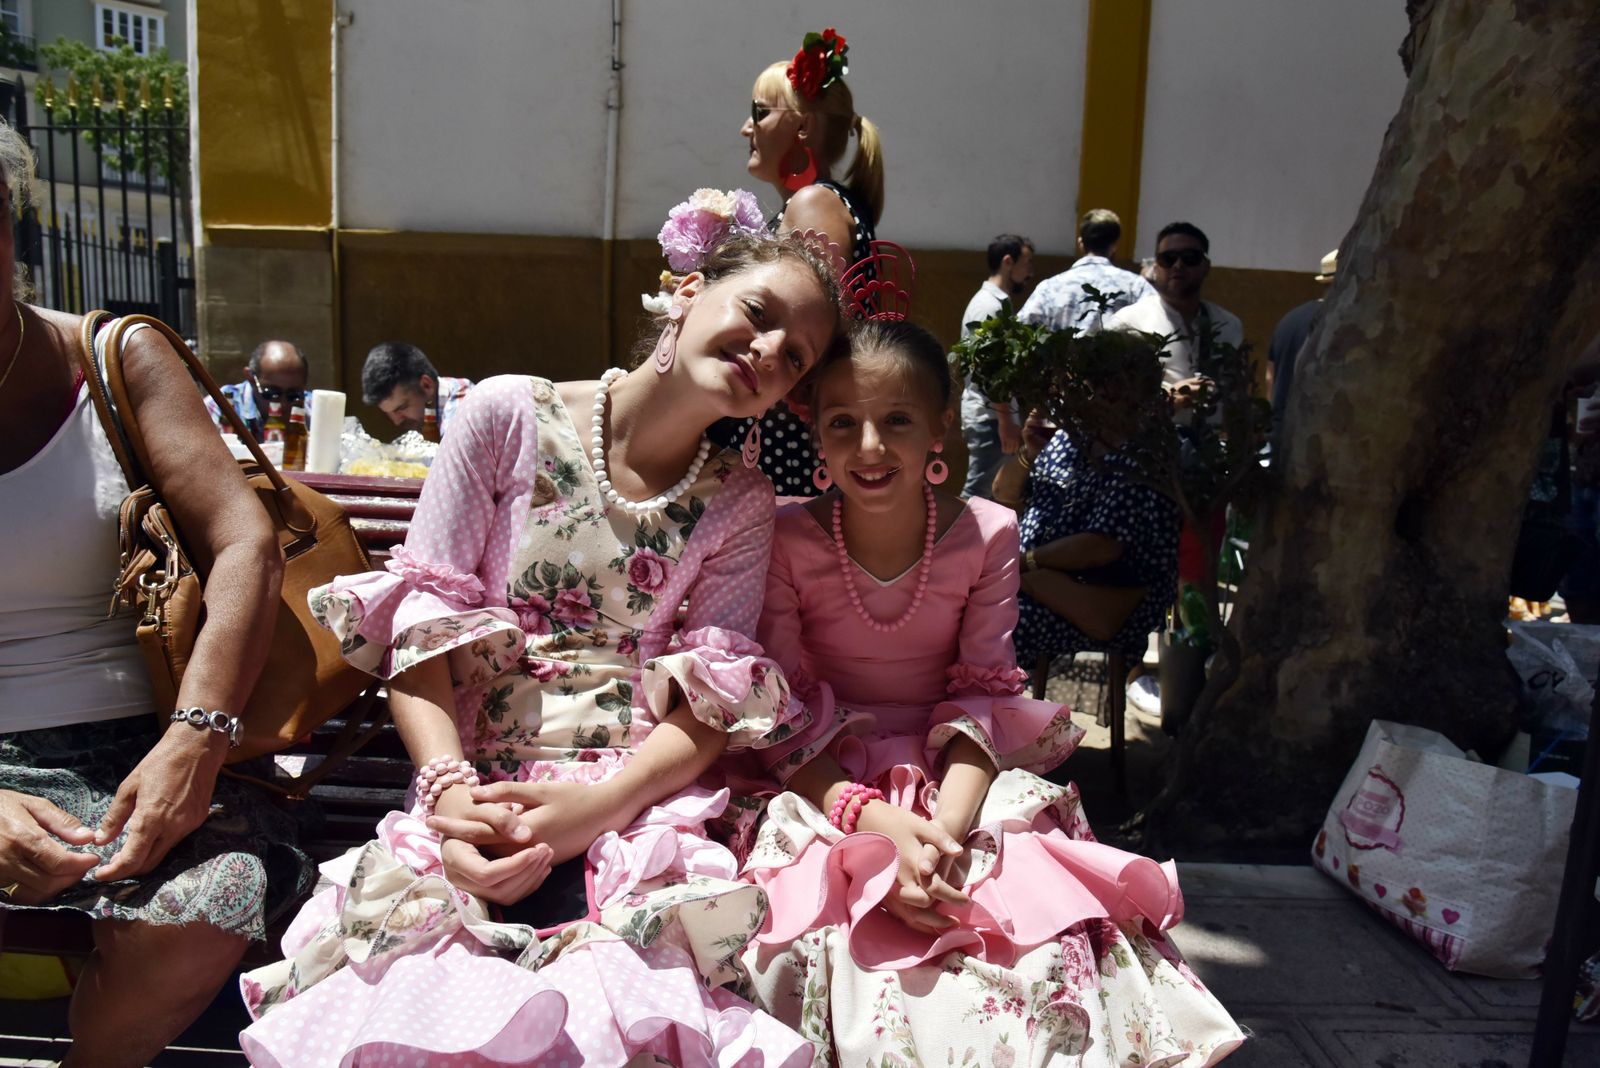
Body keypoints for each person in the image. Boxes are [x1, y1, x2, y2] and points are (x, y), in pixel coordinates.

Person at [237, 233, 846, 1066]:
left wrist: (597, 811)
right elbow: (419, 623)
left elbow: (713, 702)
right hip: (474, 788)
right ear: (690, 290)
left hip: (631, 813)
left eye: (797, 355)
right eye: (757, 312)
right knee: (425, 1000)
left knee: (612, 1010)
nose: (770, 351)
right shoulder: (506, 415)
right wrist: (448, 796)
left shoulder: (739, 501)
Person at [741, 321, 1243, 1066]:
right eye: (843, 423)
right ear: (813, 431)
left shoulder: (988, 533)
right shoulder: (786, 536)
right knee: (818, 930)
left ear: (943, 426)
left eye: (899, 420)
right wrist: (875, 822)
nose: (870, 446)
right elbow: (783, 720)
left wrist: (942, 836)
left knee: (1033, 918)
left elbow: (982, 697)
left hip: (958, 773)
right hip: (823, 774)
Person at [0, 121, 311, 1067]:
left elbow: (244, 540)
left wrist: (196, 737)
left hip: (151, 739)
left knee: (207, 906)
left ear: (10, 228)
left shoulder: (113, 357)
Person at [711, 26, 886, 497]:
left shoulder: (812, 204)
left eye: (759, 113)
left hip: (788, 449)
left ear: (803, 126)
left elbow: (813, 334)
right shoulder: (820, 202)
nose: (747, 128)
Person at [1011, 335, 1183, 674]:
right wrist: (1028, 455)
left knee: (986, 627)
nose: (1070, 396)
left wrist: (1022, 564)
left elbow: (1102, 546)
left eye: (1082, 385)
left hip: (1100, 597)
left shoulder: (1147, 455)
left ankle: (974, 716)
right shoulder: (1072, 438)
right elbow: (1004, 495)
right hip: (1039, 583)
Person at [1109, 222, 1243, 413]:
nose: (1178, 265)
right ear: (1156, 267)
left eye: (1190, 258)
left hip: (1210, 440)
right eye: (1168, 259)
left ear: (1206, 266)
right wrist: (1167, 398)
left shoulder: (1229, 325)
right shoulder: (1129, 323)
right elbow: (1109, 396)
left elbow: (1236, 392)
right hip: (1151, 439)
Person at [957, 233, 1035, 500]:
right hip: (990, 418)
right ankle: (949, 542)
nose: (1030, 272)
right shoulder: (990, 306)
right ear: (1008, 261)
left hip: (991, 416)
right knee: (977, 494)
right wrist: (1004, 420)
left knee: (986, 495)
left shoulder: (994, 302)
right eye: (1027, 263)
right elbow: (990, 368)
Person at [1019, 208, 1154, 334]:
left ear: (1080, 244)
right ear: (1114, 245)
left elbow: (1023, 332)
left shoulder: (1049, 288)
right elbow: (1157, 325)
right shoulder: (1136, 286)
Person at [1267, 249, 1336, 450]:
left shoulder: (1289, 320)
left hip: (1280, 434)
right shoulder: (1339, 322)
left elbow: (1270, 377)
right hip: (1316, 439)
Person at [203, 338, 310, 440]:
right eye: (271, 393)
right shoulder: (222, 406)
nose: (283, 404)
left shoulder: (314, 409)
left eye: (294, 395)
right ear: (250, 377)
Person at [360, 339, 474, 434]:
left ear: (426, 385)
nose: (397, 421)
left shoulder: (461, 417)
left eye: (402, 408)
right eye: (388, 413)